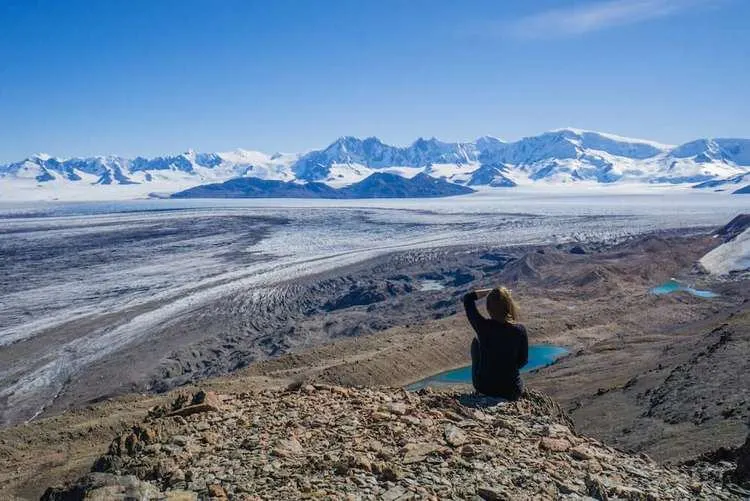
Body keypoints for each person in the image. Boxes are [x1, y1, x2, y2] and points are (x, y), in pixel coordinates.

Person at [463, 287, 528, 400]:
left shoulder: (482, 327)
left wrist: (490, 291)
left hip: (485, 388)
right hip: (512, 390)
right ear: (509, 307)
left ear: (488, 308)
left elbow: (467, 299)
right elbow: (523, 361)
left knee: (476, 343)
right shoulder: (520, 330)